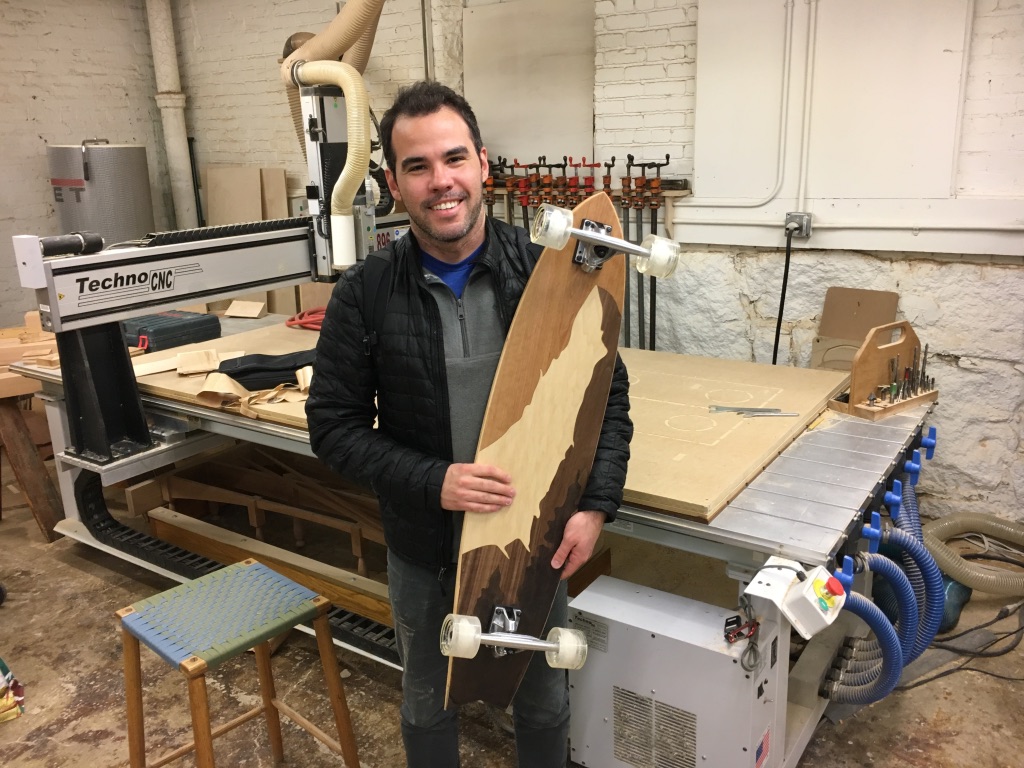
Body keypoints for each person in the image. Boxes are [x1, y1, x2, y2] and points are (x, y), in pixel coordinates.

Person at [306, 80, 632, 768]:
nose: (440, 182)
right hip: (426, 552)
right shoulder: (364, 294)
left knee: (543, 703)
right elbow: (332, 429)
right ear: (393, 183)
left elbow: (607, 399)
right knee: (429, 704)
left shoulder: (550, 273)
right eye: (418, 167)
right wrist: (436, 480)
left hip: (534, 541)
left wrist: (595, 506)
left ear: (483, 164)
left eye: (454, 159)